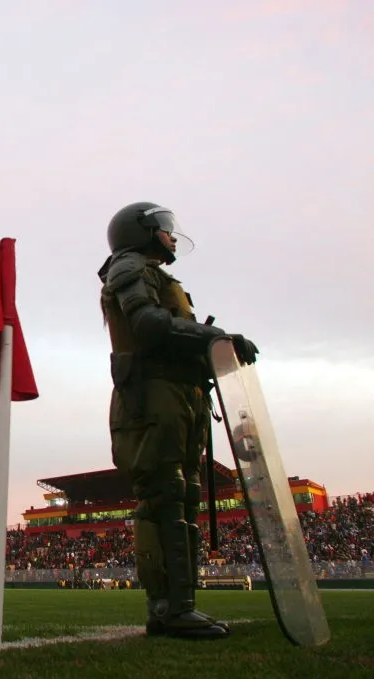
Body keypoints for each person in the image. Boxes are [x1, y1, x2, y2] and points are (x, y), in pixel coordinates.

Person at [97, 202, 257, 640]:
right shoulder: (128, 267)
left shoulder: (155, 274)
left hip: (179, 396)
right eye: (163, 228)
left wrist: (208, 352)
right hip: (153, 397)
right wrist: (214, 337)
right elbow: (148, 326)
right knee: (164, 495)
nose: (171, 236)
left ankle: (180, 605)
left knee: (183, 497)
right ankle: (169, 608)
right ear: (141, 231)